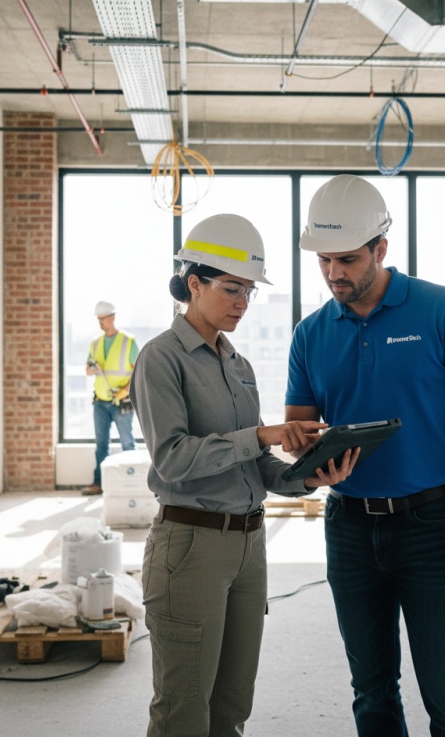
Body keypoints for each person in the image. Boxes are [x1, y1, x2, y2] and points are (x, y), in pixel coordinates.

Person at [286, 175, 445, 737]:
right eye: (324, 260)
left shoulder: (440, 309)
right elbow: (300, 428)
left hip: (434, 525)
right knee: (372, 689)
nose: (333, 273)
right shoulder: (310, 333)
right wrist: (310, 458)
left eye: (347, 259)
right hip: (349, 527)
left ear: (381, 248)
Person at [128, 213, 356, 737]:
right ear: (194, 284)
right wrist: (260, 434)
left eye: (248, 292)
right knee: (184, 711)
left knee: (232, 706)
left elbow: (254, 465)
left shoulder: (239, 366)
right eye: (231, 289)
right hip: (191, 546)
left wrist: (309, 477)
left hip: (249, 547)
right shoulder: (161, 359)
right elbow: (172, 459)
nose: (242, 303)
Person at [84, 300, 139, 495]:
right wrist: (93, 368)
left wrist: (126, 390)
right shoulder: (95, 342)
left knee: (127, 443)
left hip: (121, 401)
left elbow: (138, 373)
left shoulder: (128, 341)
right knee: (101, 445)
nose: (100, 322)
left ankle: (132, 485)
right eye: (98, 319)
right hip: (100, 401)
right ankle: (99, 484)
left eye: (103, 319)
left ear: (112, 318)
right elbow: (88, 370)